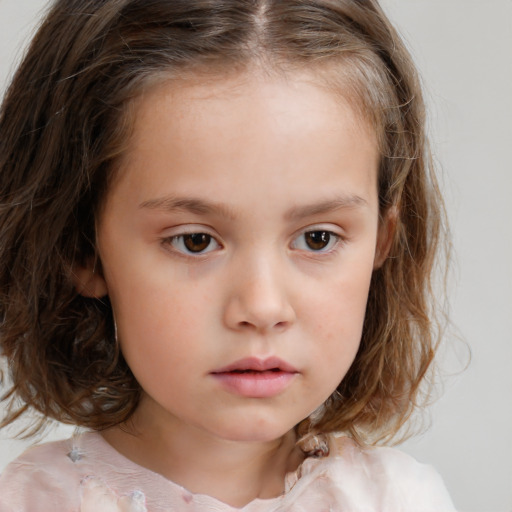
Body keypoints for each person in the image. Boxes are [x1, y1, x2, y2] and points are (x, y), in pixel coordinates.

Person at [0, 0, 455, 510]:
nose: (262, 308)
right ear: (81, 248)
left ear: (382, 238)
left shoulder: (398, 500)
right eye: (195, 240)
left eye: (317, 238)